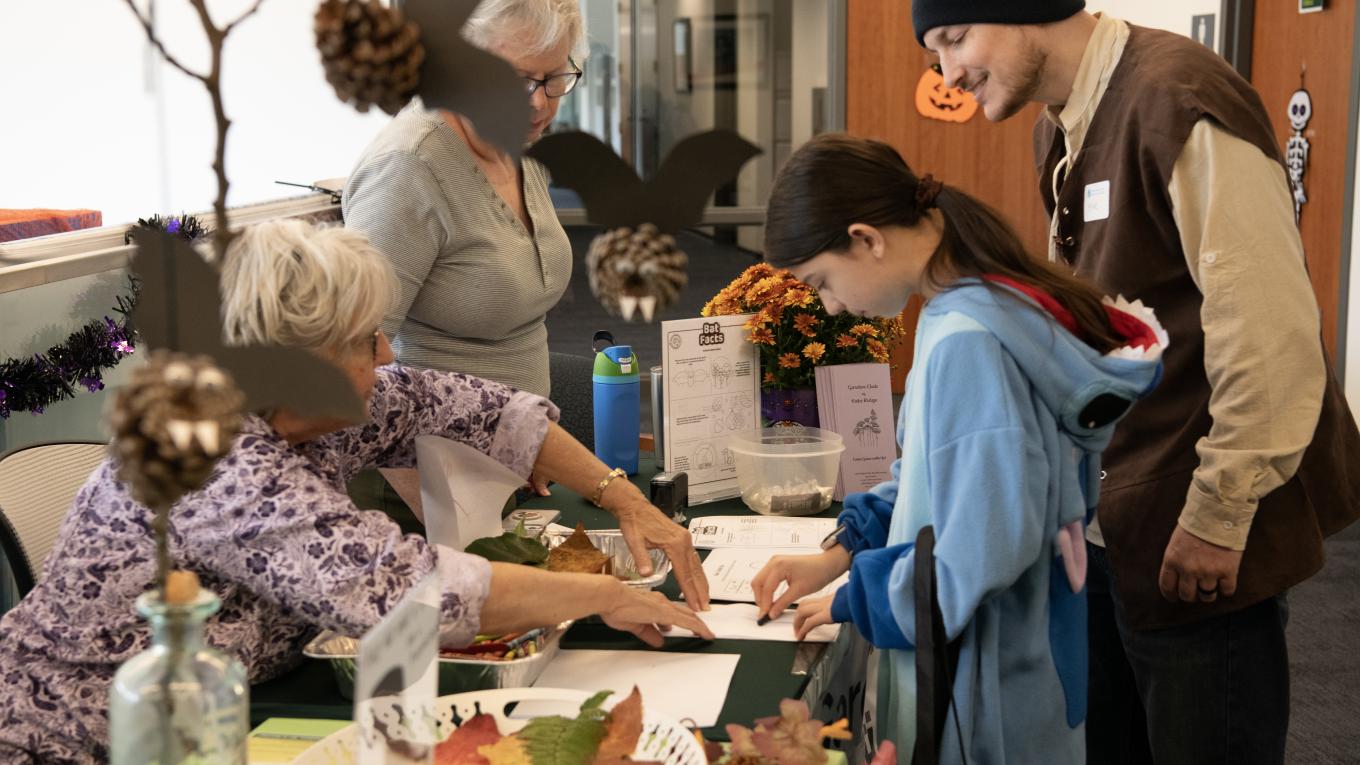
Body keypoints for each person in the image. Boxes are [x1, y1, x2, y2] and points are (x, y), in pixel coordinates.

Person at [0, 220, 712, 764]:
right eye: (365, 338)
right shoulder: (216, 460)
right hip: (85, 742)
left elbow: (477, 406)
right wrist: (611, 594)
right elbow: (415, 590)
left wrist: (625, 497)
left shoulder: (315, 413)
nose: (385, 353)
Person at [913, 2, 1360, 763]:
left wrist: (1219, 514)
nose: (950, 74)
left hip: (1200, 522)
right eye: (935, 54)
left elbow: (1271, 331)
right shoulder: (1057, 123)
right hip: (1120, 520)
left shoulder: (1175, 101)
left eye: (956, 39)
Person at [750, 134, 1166, 762]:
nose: (830, 306)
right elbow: (927, 475)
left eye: (822, 281)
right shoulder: (969, 307)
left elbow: (977, 556)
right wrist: (842, 551)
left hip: (989, 687)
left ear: (866, 239)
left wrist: (853, 597)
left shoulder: (968, 340)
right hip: (1004, 663)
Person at [343, 0, 585, 397]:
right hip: (436, 447)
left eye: (554, 77)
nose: (539, 102)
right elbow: (351, 360)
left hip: (527, 438)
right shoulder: (409, 167)